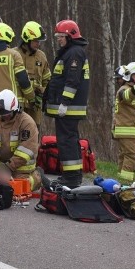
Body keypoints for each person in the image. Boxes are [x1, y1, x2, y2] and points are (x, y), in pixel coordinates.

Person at [44, 19, 89, 187]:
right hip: (69, 108)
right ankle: (73, 176)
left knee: (66, 141)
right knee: (70, 140)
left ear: (70, 36)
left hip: (69, 108)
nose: (59, 40)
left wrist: (64, 102)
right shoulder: (72, 52)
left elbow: (72, 80)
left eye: (61, 36)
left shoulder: (74, 53)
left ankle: (71, 178)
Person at [0, 89, 45, 193]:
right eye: (2, 114)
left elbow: (25, 152)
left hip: (21, 167)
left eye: (8, 113)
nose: (5, 117)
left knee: (14, 189)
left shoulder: (26, 123)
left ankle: (37, 177)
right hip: (2, 166)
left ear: (16, 109)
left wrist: (8, 168)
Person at [112, 63, 135, 185]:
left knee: (124, 156)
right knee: (131, 157)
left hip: (129, 130)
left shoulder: (132, 91)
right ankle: (126, 184)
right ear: (129, 76)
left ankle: (120, 183)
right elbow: (127, 97)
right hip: (128, 131)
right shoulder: (125, 90)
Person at [16, 21, 51, 134]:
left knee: (34, 135)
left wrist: (43, 93)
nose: (38, 44)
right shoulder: (14, 54)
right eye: (36, 41)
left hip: (35, 107)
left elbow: (47, 80)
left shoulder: (41, 56)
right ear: (27, 39)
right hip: (17, 105)